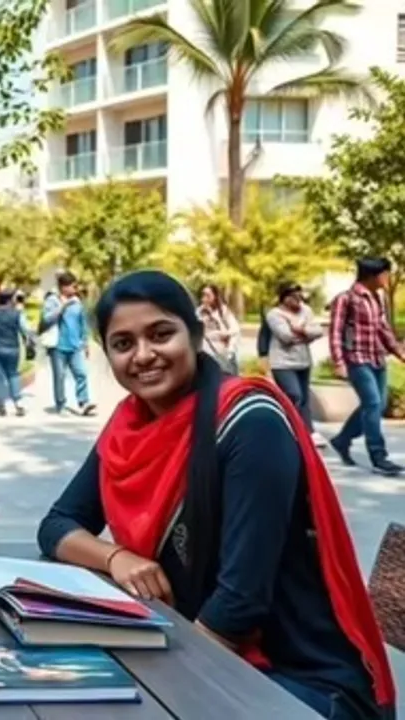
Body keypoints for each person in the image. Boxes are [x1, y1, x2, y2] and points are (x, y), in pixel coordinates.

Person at [36, 270, 394, 719]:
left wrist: (158, 690)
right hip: (196, 645)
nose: (144, 355)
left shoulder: (249, 421)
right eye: (123, 344)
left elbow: (238, 605)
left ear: (197, 334)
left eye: (161, 334)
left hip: (300, 681)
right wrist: (116, 558)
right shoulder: (130, 426)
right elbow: (57, 525)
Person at [328, 257, 405, 476]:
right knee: (372, 404)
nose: (387, 279)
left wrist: (399, 352)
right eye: (385, 274)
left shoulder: (375, 299)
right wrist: (339, 362)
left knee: (377, 406)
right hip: (357, 359)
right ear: (373, 276)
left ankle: (342, 440)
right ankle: (379, 456)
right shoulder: (345, 299)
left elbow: (383, 330)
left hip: (376, 358)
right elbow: (335, 332)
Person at [267, 281, 326, 448]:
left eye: (299, 295)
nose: (298, 299)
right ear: (284, 298)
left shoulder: (306, 310)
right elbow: (285, 336)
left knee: (304, 398)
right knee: (294, 395)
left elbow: (318, 331)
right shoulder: (274, 314)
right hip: (283, 363)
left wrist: (300, 330)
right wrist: (306, 334)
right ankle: (289, 430)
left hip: (303, 361)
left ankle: (309, 432)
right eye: (293, 296)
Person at [40, 272, 95, 416]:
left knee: (81, 373)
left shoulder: (77, 302)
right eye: (73, 286)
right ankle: (61, 405)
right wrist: (62, 307)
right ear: (63, 287)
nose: (75, 288)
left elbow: (82, 323)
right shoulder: (52, 301)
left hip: (75, 346)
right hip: (58, 346)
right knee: (60, 376)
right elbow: (46, 320)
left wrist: (85, 342)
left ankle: (84, 402)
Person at [0, 289, 33, 417]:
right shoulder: (17, 313)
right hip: (12, 348)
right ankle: (18, 403)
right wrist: (29, 342)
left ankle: (1, 406)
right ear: (10, 300)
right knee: (13, 374)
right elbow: (26, 329)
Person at [197, 284, 240, 374]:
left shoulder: (223, 310)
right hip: (208, 352)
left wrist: (223, 333)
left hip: (225, 352)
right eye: (203, 295)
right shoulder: (199, 312)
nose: (204, 299)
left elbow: (235, 328)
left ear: (215, 297)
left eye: (208, 295)